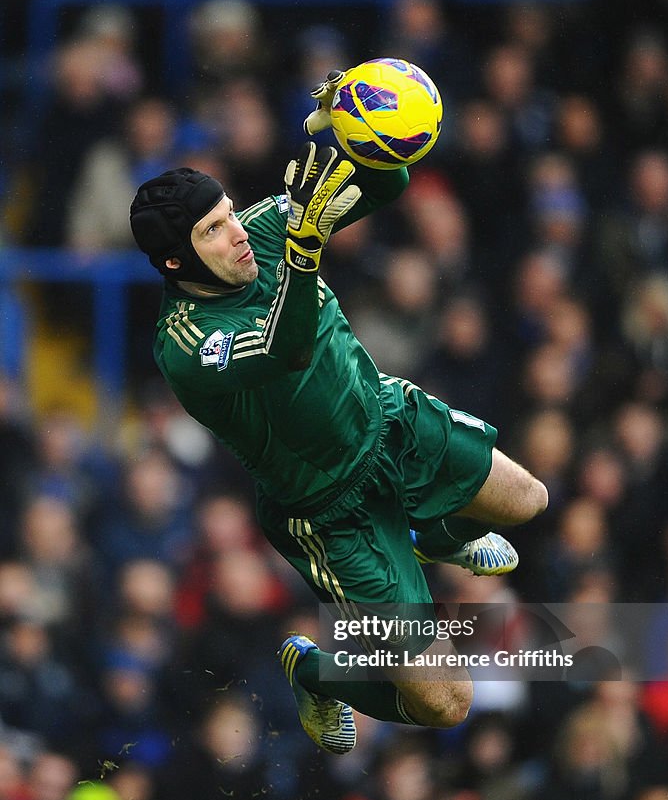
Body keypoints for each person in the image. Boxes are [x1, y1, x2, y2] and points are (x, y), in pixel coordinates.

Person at [129, 70, 548, 756]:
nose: (236, 232)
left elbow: (389, 185)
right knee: (446, 702)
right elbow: (286, 348)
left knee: (529, 500)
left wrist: (351, 123)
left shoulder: (260, 230)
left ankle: (435, 535)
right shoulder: (184, 345)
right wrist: (303, 252)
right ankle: (315, 673)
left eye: (230, 211)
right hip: (329, 513)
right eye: (212, 230)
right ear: (176, 260)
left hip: (388, 421)